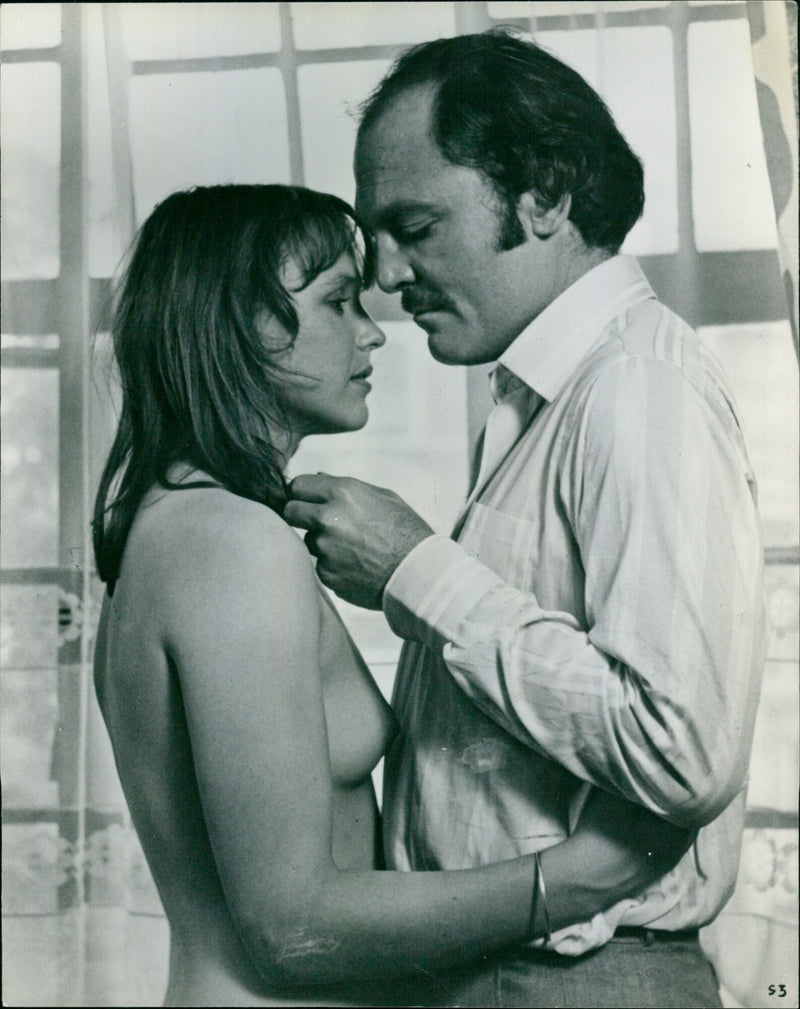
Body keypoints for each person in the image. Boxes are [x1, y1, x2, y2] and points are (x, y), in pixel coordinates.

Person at [92, 183, 689, 1008]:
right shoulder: (228, 541)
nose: (373, 331)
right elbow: (287, 924)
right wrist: (573, 879)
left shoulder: (176, 527)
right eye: (339, 301)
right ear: (235, 324)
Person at [284, 29, 768, 1008]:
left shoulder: (634, 387)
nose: (383, 274)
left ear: (544, 197)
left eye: (413, 227)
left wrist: (413, 570)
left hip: (575, 981)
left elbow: (679, 750)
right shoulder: (550, 393)